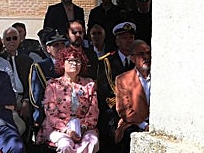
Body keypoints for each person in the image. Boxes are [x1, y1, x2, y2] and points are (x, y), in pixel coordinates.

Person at [42, 45, 99, 153]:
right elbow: (50, 113)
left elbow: (93, 110)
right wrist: (67, 131)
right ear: (63, 63)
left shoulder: (89, 84)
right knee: (65, 145)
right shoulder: (53, 85)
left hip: (84, 126)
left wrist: (83, 127)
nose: (75, 64)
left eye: (78, 61)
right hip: (59, 128)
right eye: (71, 60)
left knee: (92, 141)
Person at [95, 22, 136, 153]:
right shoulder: (107, 62)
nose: (128, 41)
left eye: (131, 38)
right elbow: (105, 93)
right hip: (114, 113)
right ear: (117, 41)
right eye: (124, 38)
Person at [114, 41, 151, 153]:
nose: (146, 57)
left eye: (148, 53)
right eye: (141, 54)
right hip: (134, 123)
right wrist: (145, 126)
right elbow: (124, 110)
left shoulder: (161, 76)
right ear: (132, 58)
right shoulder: (123, 79)